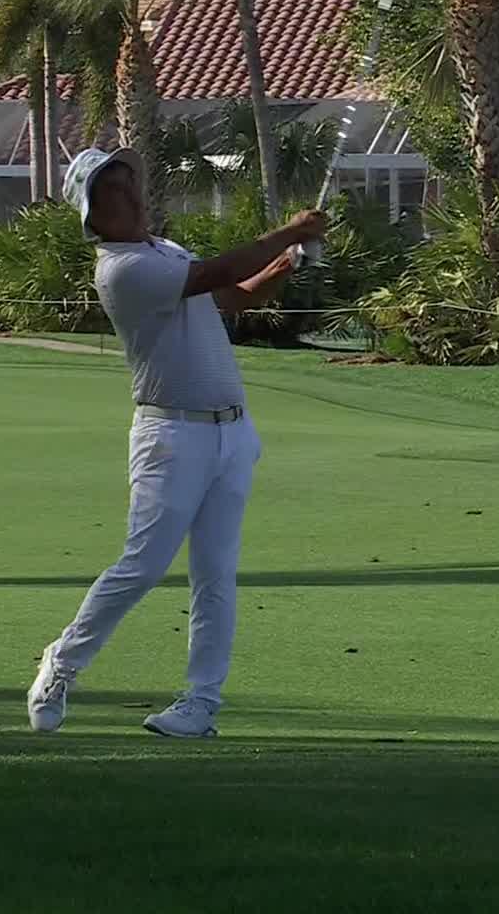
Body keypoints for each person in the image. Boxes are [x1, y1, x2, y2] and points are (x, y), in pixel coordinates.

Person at [26, 147, 326, 738]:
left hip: (232, 433)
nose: (131, 197)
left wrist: (274, 271)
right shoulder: (122, 268)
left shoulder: (162, 252)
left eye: (129, 183)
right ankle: (61, 664)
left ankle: (201, 704)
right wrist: (284, 232)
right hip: (171, 435)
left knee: (216, 573)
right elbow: (210, 276)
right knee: (143, 565)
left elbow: (225, 299)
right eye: (112, 192)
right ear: (94, 218)